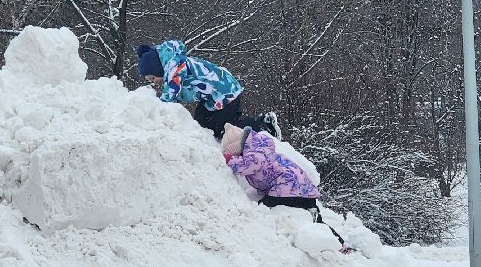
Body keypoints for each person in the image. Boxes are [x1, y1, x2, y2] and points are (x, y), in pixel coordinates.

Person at [221, 123, 351, 251]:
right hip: (302, 189)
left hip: (287, 188)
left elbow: (249, 165)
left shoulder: (255, 152)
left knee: (263, 209)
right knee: (316, 219)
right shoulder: (260, 146)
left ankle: (270, 238)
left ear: (237, 147)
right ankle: (340, 244)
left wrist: (230, 160)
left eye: (235, 154)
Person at [137, 40, 246, 138]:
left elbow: (172, 91)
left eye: (152, 78)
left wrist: (158, 109)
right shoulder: (174, 66)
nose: (154, 81)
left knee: (217, 127)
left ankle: (259, 124)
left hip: (226, 93)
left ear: (157, 69)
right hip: (214, 97)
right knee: (201, 121)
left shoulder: (175, 65)